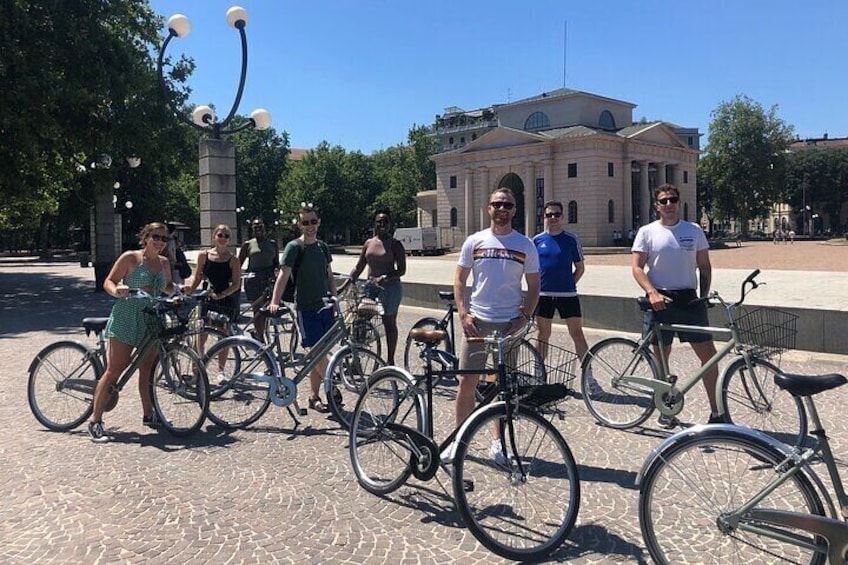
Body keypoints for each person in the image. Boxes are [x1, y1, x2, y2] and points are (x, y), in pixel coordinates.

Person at [446, 187, 540, 464]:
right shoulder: (474, 241)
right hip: (477, 322)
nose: (502, 209)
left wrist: (524, 317)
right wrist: (463, 313)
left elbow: (534, 286)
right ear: (488, 208)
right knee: (466, 384)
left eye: (507, 205)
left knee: (504, 388)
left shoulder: (525, 245)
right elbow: (460, 279)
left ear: (514, 210)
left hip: (509, 325)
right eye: (497, 204)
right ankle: (458, 440)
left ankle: (498, 442)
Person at [631, 184, 721, 428]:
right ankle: (665, 408)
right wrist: (651, 292)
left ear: (679, 203)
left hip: (689, 299)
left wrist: (704, 296)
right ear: (656, 206)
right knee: (662, 359)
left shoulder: (693, 230)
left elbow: (704, 265)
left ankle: (717, 412)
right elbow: (637, 267)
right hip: (660, 300)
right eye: (663, 201)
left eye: (672, 199)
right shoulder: (647, 232)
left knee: (709, 357)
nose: (668, 204)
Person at [87, 222, 176, 442]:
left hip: (151, 320)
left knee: (146, 371)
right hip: (127, 316)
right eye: (156, 237)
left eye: (164, 239)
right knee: (114, 370)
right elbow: (109, 280)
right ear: (146, 237)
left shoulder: (164, 262)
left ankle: (148, 413)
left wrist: (181, 292)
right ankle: (95, 420)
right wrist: (116, 290)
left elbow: (167, 287)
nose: (160, 242)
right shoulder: (131, 258)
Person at [269, 206, 337, 412]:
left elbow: (329, 275)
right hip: (306, 309)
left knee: (320, 355)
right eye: (305, 223)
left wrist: (334, 298)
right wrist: (275, 301)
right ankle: (332, 387)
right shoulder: (293, 247)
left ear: (319, 222)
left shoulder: (323, 247)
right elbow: (283, 276)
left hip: (325, 307)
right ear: (299, 225)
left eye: (313, 222)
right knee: (317, 353)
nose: (310, 226)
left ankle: (314, 397)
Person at [532, 201, 599, 395]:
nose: (553, 218)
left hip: (568, 294)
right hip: (543, 295)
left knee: (577, 334)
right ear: (544, 217)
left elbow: (580, 267)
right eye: (549, 215)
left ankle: (589, 376)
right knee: (542, 335)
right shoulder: (536, 240)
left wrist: (570, 283)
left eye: (556, 214)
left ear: (562, 217)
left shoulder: (571, 239)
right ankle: (539, 373)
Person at [345, 210, 407, 364]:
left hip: (390, 288)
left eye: (385, 221)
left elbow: (402, 269)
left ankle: (390, 361)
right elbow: (359, 266)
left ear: (390, 224)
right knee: (359, 320)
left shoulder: (395, 244)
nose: (382, 224)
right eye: (379, 221)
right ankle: (356, 360)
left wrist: (385, 277)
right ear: (374, 223)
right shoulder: (369, 243)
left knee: (388, 322)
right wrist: (347, 282)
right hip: (371, 288)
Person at [183, 224, 242, 383]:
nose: (223, 238)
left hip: (225, 300)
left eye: (226, 236)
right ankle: (197, 371)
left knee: (224, 335)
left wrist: (222, 294)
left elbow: (236, 284)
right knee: (200, 336)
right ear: (214, 236)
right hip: (207, 298)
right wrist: (187, 291)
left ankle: (221, 371)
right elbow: (196, 279)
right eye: (220, 235)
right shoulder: (204, 256)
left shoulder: (233, 260)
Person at [239, 218, 280, 341]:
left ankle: (261, 332)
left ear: (264, 228)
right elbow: (238, 263)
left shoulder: (272, 244)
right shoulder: (248, 244)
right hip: (253, 279)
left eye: (260, 226)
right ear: (252, 229)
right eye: (255, 227)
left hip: (268, 278)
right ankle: (260, 338)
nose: (258, 229)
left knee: (268, 308)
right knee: (257, 309)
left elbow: (276, 263)